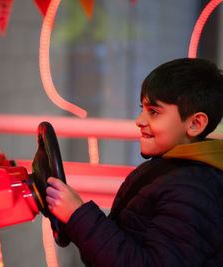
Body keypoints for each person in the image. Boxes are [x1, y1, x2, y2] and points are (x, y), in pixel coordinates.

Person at [46, 58, 223, 266]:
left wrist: (79, 215)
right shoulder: (173, 170)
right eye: (143, 109)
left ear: (195, 124)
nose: (140, 121)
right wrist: (74, 218)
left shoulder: (191, 190)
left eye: (154, 112)